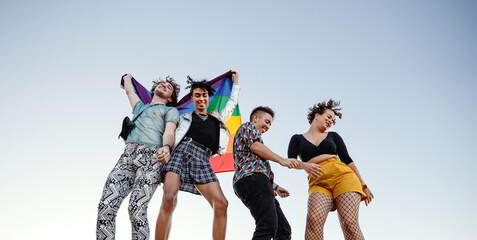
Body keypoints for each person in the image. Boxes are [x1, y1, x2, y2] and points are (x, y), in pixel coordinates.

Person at [155, 71, 240, 240]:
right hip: (181, 152)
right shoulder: (183, 117)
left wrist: (236, 82)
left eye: (204, 95)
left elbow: (232, 102)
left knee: (222, 204)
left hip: (203, 158)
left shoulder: (218, 118)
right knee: (169, 198)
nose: (201, 98)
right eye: (197, 96)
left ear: (209, 97)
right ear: (192, 99)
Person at [96, 74, 180, 240]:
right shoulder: (140, 107)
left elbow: (170, 131)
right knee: (105, 205)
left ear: (170, 98)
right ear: (154, 89)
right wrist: (127, 78)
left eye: (168, 87)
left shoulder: (170, 110)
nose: (164, 85)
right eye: (162, 84)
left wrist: (166, 147)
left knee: (136, 208)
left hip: (152, 158)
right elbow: (129, 92)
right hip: (126, 157)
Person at [287, 99, 374, 240]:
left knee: (349, 223)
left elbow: (347, 160)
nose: (330, 121)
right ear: (317, 115)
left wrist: (364, 185)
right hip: (318, 181)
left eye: (332, 120)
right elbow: (290, 161)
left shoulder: (333, 136)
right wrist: (305, 165)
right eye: (328, 117)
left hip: (343, 177)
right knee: (313, 221)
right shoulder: (297, 139)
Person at [232, 106, 300, 240]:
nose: (268, 126)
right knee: (267, 226)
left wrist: (275, 187)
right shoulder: (248, 127)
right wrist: (282, 160)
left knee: (283, 230)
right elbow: (255, 147)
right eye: (267, 121)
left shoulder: (252, 137)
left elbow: (258, 166)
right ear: (256, 118)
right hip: (252, 180)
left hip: (256, 181)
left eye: (270, 124)